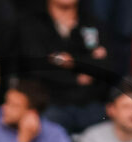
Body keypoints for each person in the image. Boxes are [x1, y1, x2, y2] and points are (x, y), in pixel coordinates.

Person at [17, 0, 117, 133]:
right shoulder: (32, 24)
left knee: (114, 121)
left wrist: (73, 62)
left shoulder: (92, 23)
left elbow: (108, 66)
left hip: (91, 103)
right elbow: (36, 68)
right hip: (51, 104)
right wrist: (78, 77)